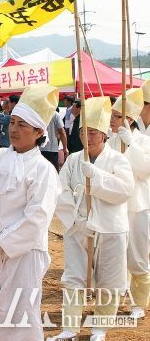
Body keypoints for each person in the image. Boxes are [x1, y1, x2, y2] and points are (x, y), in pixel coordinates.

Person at [0, 84, 61, 340]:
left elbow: (38, 218)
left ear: (39, 131)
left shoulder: (43, 170)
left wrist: (2, 242)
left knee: (19, 316)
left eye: (22, 125)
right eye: (13, 122)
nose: (14, 129)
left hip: (23, 252)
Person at [51, 97, 134, 341]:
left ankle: (99, 328)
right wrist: (75, 220)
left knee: (110, 279)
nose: (88, 138)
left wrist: (96, 177)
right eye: (83, 132)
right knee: (74, 276)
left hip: (110, 228)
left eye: (94, 132)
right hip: (79, 227)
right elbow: (60, 191)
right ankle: (70, 327)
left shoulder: (118, 159)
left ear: (105, 134)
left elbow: (125, 190)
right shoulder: (74, 160)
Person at [107, 88, 150, 319]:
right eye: (112, 116)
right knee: (115, 256)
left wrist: (131, 144)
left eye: (116, 116)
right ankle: (114, 299)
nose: (111, 121)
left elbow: (144, 170)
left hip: (138, 206)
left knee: (137, 255)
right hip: (114, 207)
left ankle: (139, 303)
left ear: (129, 119)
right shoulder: (109, 141)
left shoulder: (143, 141)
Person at [40, 107, 68, 172]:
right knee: (53, 173)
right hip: (52, 150)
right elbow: (62, 132)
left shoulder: (37, 113)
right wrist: (65, 148)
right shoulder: (55, 114)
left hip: (37, 149)